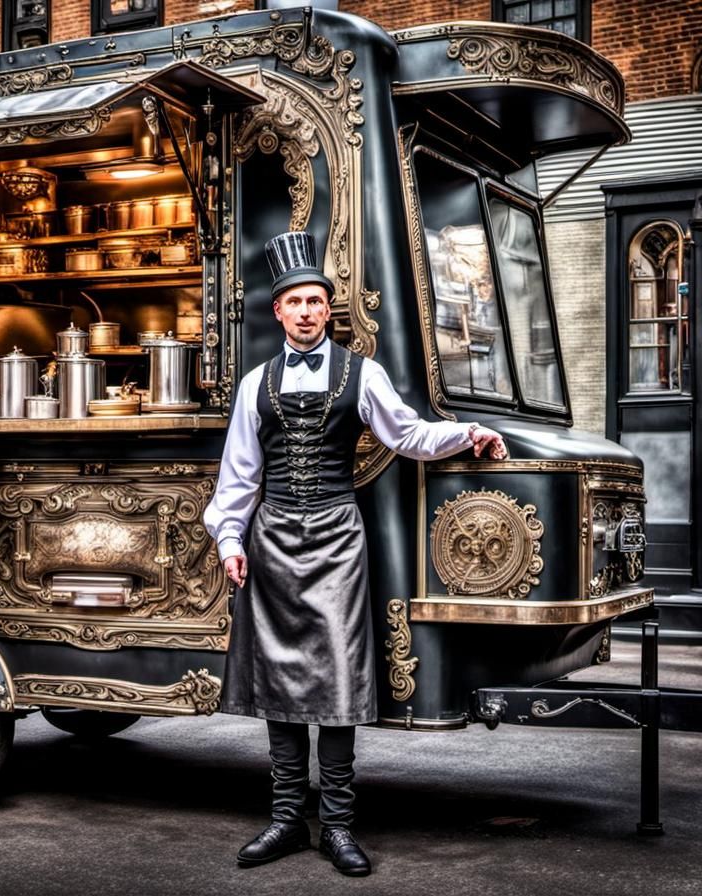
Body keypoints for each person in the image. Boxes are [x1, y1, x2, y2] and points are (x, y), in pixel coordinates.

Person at [204, 231, 507, 877]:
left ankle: (338, 825)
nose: (308, 311)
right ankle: (287, 819)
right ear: (279, 311)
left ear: (327, 310)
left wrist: (469, 432)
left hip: (338, 539)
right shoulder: (256, 383)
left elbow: (409, 432)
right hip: (273, 538)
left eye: (317, 301)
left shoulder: (359, 371)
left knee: (336, 681)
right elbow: (236, 475)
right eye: (296, 302)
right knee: (281, 683)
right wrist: (230, 540)